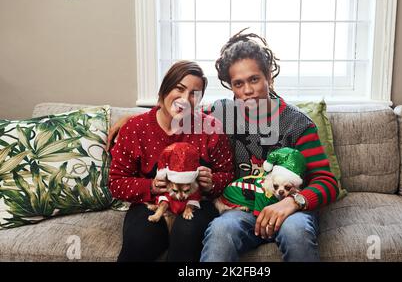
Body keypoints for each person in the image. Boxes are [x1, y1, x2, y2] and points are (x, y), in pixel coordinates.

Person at [108, 30, 339, 262]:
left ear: (269, 76)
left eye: (254, 79)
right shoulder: (224, 113)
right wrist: (131, 119)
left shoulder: (297, 123)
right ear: (231, 87)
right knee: (219, 231)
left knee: (296, 232)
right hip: (241, 211)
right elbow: (181, 111)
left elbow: (327, 182)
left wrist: (292, 203)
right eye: (239, 84)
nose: (247, 90)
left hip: (290, 210)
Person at [108, 60, 234, 262]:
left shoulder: (210, 128)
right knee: (140, 240)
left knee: (187, 234)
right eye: (180, 89)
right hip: (150, 204)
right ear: (164, 90)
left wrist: (212, 183)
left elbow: (228, 175)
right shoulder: (135, 128)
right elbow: (116, 183)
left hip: (196, 204)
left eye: (194, 93)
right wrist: (151, 186)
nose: (185, 99)